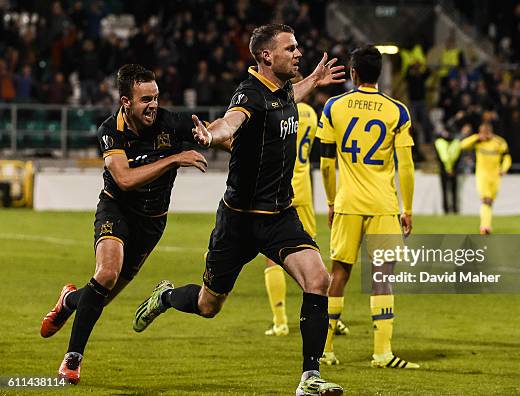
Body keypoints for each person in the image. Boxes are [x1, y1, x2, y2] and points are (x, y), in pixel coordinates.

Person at [132, 24, 345, 396]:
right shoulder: (249, 94)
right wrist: (211, 136)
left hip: (279, 216)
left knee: (318, 280)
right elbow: (230, 122)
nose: (298, 53)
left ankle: (310, 378)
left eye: (298, 47)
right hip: (239, 222)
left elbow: (290, 95)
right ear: (266, 56)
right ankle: (165, 296)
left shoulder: (281, 91)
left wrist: (313, 79)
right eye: (290, 48)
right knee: (207, 304)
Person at [39, 64, 218, 384]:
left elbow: (210, 130)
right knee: (106, 273)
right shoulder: (111, 131)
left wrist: (213, 136)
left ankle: (68, 301)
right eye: (145, 99)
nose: (153, 105)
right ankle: (72, 360)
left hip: (152, 223)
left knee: (101, 297)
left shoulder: (170, 122)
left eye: (157, 97)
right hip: (116, 210)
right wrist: (175, 159)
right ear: (126, 102)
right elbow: (123, 178)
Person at [316, 45, 419, 369]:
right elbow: (406, 165)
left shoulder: (334, 106)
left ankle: (326, 350)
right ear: (380, 74)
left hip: (347, 203)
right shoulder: (397, 111)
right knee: (382, 276)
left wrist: (332, 201)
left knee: (338, 274)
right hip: (383, 205)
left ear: (353, 73)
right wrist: (408, 209)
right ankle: (382, 352)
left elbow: (326, 164)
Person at [263, 98, 350, 338]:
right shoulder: (311, 113)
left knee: (273, 257)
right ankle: (329, 315)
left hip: (279, 189)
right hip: (304, 189)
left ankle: (280, 321)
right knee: (311, 256)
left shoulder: (278, 111)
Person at [460, 123, 512, 234]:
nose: (484, 135)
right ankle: (485, 226)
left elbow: (507, 157)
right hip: (482, 175)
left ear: (490, 131)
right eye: (482, 132)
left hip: (496, 176)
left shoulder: (499, 142)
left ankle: (486, 224)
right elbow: (462, 145)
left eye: (486, 132)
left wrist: (504, 168)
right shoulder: (478, 141)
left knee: (490, 202)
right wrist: (476, 137)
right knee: (486, 200)